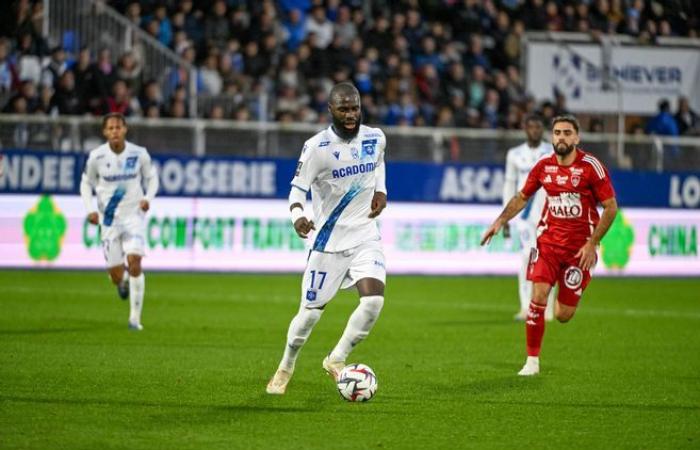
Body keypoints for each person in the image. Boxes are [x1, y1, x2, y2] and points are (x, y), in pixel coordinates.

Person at [266, 82, 387, 395]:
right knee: (307, 318)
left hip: (365, 236)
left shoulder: (375, 137)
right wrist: (298, 217)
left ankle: (336, 359)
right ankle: (286, 365)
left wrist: (381, 190)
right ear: (330, 110)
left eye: (355, 108)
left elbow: (378, 163)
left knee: (373, 301)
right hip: (328, 244)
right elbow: (296, 189)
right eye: (343, 109)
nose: (351, 115)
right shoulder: (317, 148)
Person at [481, 114, 617, 376]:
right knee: (538, 297)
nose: (561, 138)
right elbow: (522, 197)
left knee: (564, 314)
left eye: (567, 133)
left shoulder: (591, 167)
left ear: (576, 137)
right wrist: (499, 221)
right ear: (552, 137)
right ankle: (532, 361)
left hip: (580, 251)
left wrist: (593, 243)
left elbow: (611, 207)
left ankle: (568, 293)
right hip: (547, 245)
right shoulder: (544, 166)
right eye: (557, 133)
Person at [80, 113, 159, 331]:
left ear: (125, 129)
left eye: (118, 127)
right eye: (110, 128)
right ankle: (120, 283)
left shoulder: (139, 154)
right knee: (116, 274)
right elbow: (86, 184)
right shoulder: (96, 157)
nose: (115, 131)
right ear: (105, 132)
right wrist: (90, 210)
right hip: (109, 221)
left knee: (135, 261)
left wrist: (147, 199)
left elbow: (152, 178)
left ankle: (134, 319)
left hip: (134, 217)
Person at [502, 115, 555, 322]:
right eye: (530, 126)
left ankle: (547, 309)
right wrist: (505, 217)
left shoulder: (550, 153)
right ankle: (525, 307)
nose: (534, 130)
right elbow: (509, 184)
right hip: (523, 216)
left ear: (542, 129)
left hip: (547, 214)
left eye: (537, 127)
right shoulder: (514, 154)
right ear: (525, 128)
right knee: (526, 258)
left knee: (549, 261)